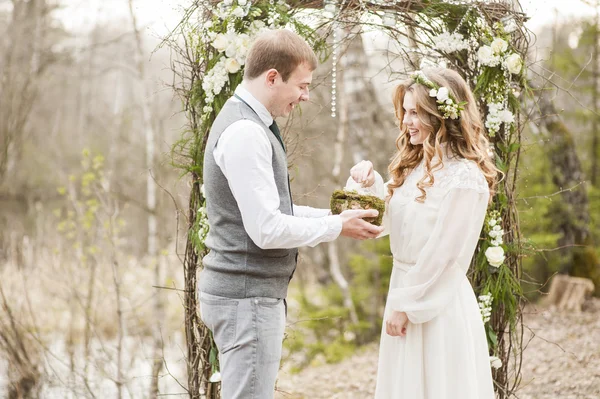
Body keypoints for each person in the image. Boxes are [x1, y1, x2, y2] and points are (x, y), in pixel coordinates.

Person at [200, 29, 384, 399]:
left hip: (245, 296)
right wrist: (335, 226)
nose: (306, 95)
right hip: (246, 298)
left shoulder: (250, 124)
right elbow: (266, 230)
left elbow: (273, 212)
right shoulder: (245, 133)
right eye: (301, 85)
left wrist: (337, 221)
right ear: (272, 77)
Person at [349, 68, 497, 398]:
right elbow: (384, 223)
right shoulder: (416, 167)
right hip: (405, 287)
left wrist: (406, 305)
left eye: (416, 112)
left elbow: (446, 254)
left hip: (437, 301)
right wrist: (368, 182)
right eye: (405, 111)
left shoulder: (465, 178)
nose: (406, 121)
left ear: (440, 115)